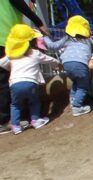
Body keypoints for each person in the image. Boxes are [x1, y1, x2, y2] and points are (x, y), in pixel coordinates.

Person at [0, 0, 49, 133]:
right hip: (10, 39)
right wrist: (39, 22)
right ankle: (13, 118)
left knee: (4, 81)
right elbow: (18, 3)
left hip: (7, 40)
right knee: (15, 78)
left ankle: (7, 120)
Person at [44, 15, 92, 116]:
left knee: (76, 81)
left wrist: (45, 37)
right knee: (83, 86)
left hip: (66, 63)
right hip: (80, 64)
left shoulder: (67, 38)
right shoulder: (89, 40)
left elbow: (53, 46)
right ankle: (77, 107)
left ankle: (73, 99)